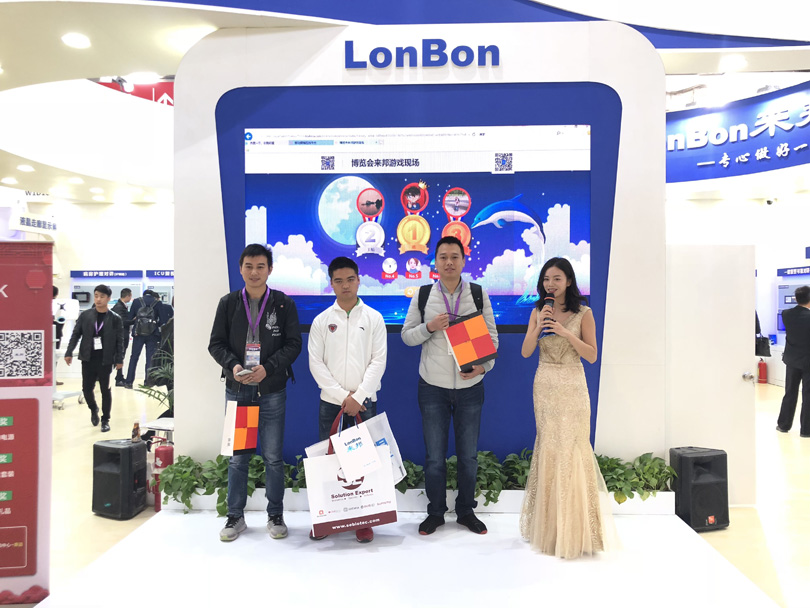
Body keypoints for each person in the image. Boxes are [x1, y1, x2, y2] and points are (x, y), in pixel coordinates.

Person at [401, 235, 498, 536]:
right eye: (443, 257)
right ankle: (435, 513)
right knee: (434, 458)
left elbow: (493, 339)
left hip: (471, 387)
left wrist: (483, 367)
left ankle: (466, 511)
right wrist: (429, 327)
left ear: (463, 260)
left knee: (468, 456)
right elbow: (406, 336)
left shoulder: (478, 294)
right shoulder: (423, 295)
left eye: (454, 257)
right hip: (433, 386)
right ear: (436, 262)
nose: (449, 262)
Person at [519, 257, 615, 558]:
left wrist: (565, 332)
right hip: (545, 384)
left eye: (557, 279)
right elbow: (526, 352)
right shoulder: (538, 311)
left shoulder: (584, 313)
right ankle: (550, 530)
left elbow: (592, 355)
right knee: (549, 445)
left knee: (572, 447)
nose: (551, 284)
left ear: (569, 281)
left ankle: (577, 531)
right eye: (547, 279)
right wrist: (539, 326)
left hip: (573, 384)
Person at [208, 244, 302, 542]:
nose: (254, 272)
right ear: (241, 269)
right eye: (249, 266)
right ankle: (235, 516)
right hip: (238, 391)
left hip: (271, 391)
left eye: (261, 266)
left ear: (270, 269)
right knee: (238, 458)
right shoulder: (228, 303)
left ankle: (275, 514)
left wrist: (268, 368)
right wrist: (233, 365)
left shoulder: (283, 304)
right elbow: (216, 344)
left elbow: (293, 344)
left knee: (273, 457)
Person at [308, 256, 387, 543]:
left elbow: (378, 361)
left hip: (365, 402)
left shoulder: (374, 318)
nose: (345, 285)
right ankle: (327, 518)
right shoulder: (321, 321)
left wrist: (359, 395)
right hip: (332, 403)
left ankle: (364, 520)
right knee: (329, 462)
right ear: (331, 284)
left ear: (358, 280)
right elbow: (316, 364)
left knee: (364, 462)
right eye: (339, 281)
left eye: (350, 279)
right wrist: (344, 397)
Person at [64, 284, 124, 433]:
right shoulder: (86, 315)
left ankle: (105, 419)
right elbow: (76, 334)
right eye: (96, 296)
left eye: (102, 296)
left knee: (105, 390)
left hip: (106, 360)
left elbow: (120, 340)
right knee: (86, 389)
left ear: (108, 298)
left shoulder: (115, 318)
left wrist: (119, 359)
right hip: (88, 358)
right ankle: (93, 408)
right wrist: (69, 352)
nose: (98, 299)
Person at [776, 285, 810, 437]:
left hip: (792, 360)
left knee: (790, 392)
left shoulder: (786, 314)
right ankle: (806, 430)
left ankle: (783, 425)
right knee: (808, 395)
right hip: (808, 361)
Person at [123, 289, 167, 389]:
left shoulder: (136, 301)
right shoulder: (158, 303)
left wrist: (137, 322)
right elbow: (163, 320)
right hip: (152, 334)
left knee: (134, 357)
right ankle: (148, 382)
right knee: (150, 358)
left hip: (138, 334)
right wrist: (154, 324)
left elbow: (130, 317)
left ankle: (129, 382)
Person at [112, 288, 135, 387]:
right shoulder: (119, 307)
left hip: (122, 335)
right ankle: (118, 378)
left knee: (120, 356)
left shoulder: (121, 306)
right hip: (120, 336)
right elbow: (123, 322)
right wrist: (134, 320)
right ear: (128, 296)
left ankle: (119, 377)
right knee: (119, 356)